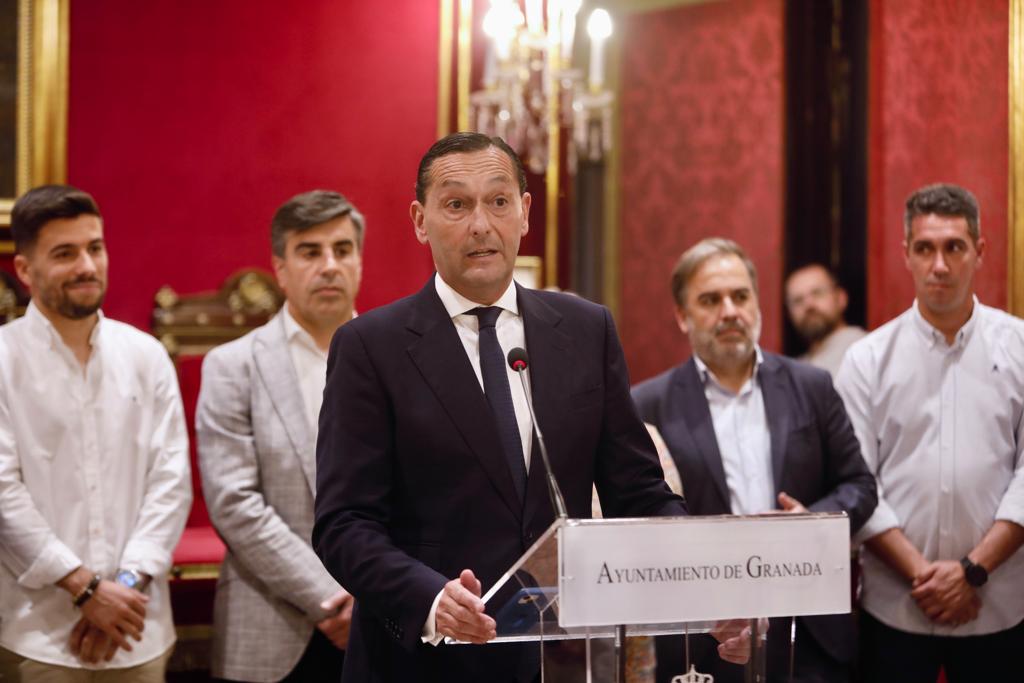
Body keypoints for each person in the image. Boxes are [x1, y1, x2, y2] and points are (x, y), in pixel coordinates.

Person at [312, 132, 749, 682]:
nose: (480, 224)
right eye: (456, 204)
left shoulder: (587, 330)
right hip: (420, 661)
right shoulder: (371, 346)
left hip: (556, 657)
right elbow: (344, 523)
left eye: (498, 201)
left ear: (524, 213)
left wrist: (707, 588)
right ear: (421, 221)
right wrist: (428, 598)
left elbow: (638, 494)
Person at [632, 237, 877, 683]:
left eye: (740, 296)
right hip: (704, 641)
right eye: (710, 300)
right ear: (683, 317)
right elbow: (638, 522)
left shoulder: (812, 386)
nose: (730, 311)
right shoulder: (648, 405)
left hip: (807, 630)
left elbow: (860, 485)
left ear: (757, 305)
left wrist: (812, 521)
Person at [0, 185, 192, 681]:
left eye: (95, 248)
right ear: (24, 270)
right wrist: (86, 589)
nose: (87, 265)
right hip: (35, 632)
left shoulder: (146, 355)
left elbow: (170, 482)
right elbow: (3, 494)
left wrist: (122, 590)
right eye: (65, 254)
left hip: (137, 626)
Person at [835, 183, 1024, 683]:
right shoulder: (866, 360)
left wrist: (972, 572)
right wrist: (927, 577)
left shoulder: (1021, 347)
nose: (939, 265)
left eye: (953, 247)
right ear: (907, 255)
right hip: (897, 605)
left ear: (979, 251)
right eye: (925, 248)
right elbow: (858, 482)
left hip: (999, 603)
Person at [195, 190, 361, 683]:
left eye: (342, 249)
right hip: (270, 629)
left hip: (383, 624)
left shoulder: (402, 360)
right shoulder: (233, 366)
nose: (329, 265)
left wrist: (377, 594)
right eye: (310, 252)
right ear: (281, 267)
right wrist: (329, 600)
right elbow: (234, 503)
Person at [784, 263, 866, 376]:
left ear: (841, 298)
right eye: (798, 300)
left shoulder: (863, 348)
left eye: (817, 293)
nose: (808, 305)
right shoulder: (793, 368)